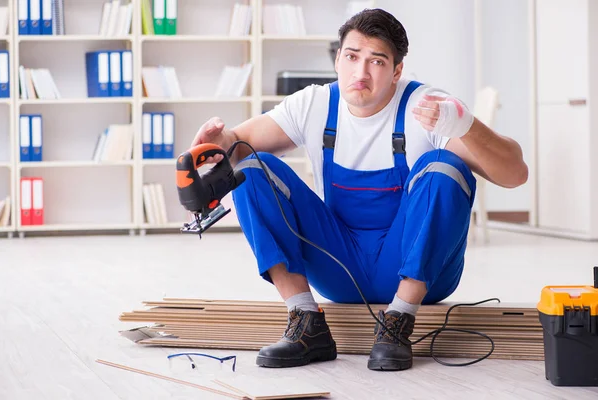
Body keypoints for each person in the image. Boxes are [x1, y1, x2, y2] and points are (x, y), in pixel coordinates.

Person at [191, 8, 528, 371]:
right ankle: (305, 322)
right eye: (352, 57)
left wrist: (466, 125)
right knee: (250, 167)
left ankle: (398, 321)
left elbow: (514, 174)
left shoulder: (425, 107)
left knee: (446, 167)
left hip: (419, 272)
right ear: (338, 59)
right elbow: (239, 141)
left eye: (377, 61)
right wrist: (214, 143)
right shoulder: (315, 104)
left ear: (397, 71)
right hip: (340, 266)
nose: (360, 73)